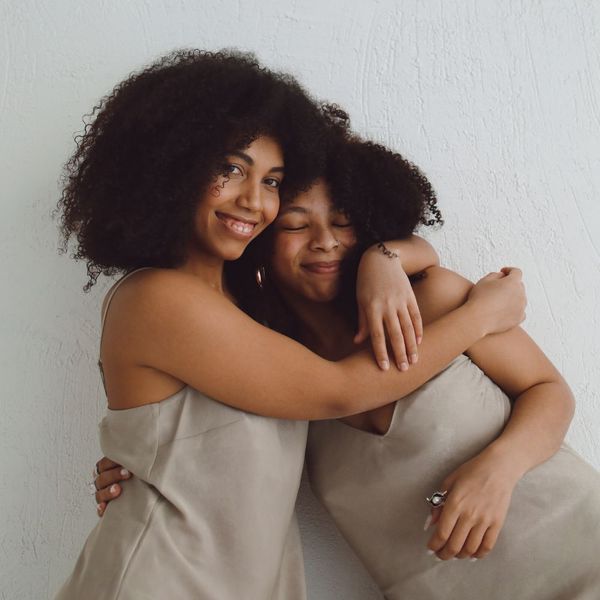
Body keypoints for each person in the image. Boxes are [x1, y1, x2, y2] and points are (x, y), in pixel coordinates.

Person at [54, 50, 525, 600]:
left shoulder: (249, 303)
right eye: (229, 168)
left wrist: (386, 256)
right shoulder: (157, 297)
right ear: (170, 167)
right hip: (162, 581)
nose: (254, 201)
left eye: (272, 180)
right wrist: (482, 315)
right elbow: (337, 391)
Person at [96, 120, 600, 599]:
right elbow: (216, 439)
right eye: (295, 224)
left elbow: (549, 390)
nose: (326, 241)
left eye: (345, 223)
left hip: (580, 553)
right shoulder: (270, 370)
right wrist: (144, 461)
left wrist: (498, 469)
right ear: (262, 242)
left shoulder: (439, 298)